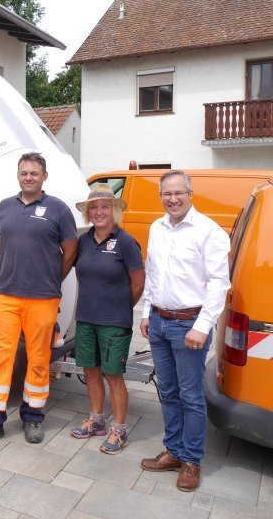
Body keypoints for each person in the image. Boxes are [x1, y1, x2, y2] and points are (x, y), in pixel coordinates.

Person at [0, 152, 77, 445]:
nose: (29, 177)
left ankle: (33, 417)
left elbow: (71, 250)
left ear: (44, 176)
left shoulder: (59, 209)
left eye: (34, 173)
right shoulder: (4, 207)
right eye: (24, 172)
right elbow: (0, 244)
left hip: (43, 298)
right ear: (18, 175)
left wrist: (51, 279)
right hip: (6, 296)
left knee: (39, 360)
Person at [139, 170, 230, 492]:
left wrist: (202, 327)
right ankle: (173, 452)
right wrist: (147, 310)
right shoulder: (157, 227)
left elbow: (220, 284)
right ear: (161, 196)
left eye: (179, 193)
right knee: (168, 391)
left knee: (191, 396)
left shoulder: (209, 232)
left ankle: (191, 461)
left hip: (189, 325)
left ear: (190, 194)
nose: (173, 199)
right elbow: (153, 272)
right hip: (160, 322)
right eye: (167, 194)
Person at [70, 185, 144, 454]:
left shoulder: (126, 242)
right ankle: (97, 420)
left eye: (104, 206)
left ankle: (120, 429)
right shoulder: (83, 241)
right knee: (90, 371)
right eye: (94, 207)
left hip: (114, 321)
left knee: (113, 375)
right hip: (86, 317)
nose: (99, 212)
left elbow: (138, 284)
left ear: (113, 210)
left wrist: (119, 308)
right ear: (88, 213)